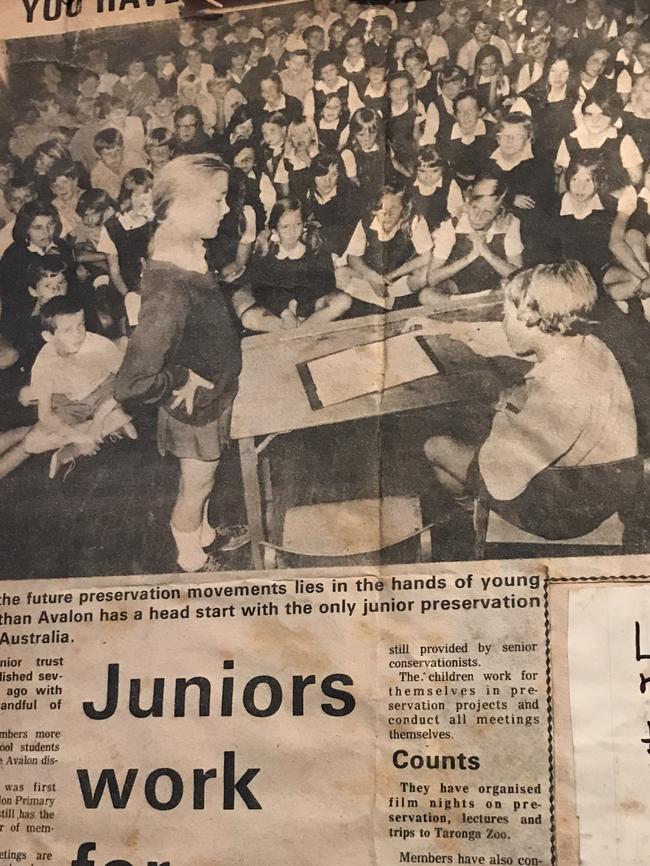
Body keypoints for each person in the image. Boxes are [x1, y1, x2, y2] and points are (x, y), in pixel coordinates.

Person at [418, 261, 638, 539]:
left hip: (565, 512)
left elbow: (500, 476)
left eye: (504, 315)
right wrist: (449, 329)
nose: (502, 323)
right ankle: (474, 505)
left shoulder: (560, 390)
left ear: (531, 318)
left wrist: (507, 407)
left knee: (436, 447)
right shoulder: (583, 341)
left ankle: (471, 516)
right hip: (600, 484)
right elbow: (517, 338)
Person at [115, 154, 247, 573]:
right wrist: (179, 376)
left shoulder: (188, 246)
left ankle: (205, 535)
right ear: (181, 206)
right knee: (196, 484)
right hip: (193, 409)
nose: (226, 209)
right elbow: (131, 383)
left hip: (211, 394)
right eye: (218, 199)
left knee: (203, 477)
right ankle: (189, 557)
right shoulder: (169, 287)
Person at [23, 295, 134, 479]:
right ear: (48, 337)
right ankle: (113, 422)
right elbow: (44, 414)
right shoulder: (43, 363)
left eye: (81, 325)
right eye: (67, 330)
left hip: (106, 392)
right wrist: (80, 438)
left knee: (128, 397)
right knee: (31, 443)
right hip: (74, 404)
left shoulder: (98, 345)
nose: (78, 334)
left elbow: (128, 383)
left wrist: (98, 420)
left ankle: (105, 422)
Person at [241, 196, 351, 331]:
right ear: (275, 230)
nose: (292, 232)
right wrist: (286, 312)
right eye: (285, 227)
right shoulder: (267, 255)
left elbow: (326, 282)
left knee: (343, 300)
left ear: (304, 225)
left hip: (312, 307)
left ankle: (300, 330)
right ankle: (302, 329)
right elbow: (262, 290)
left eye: (298, 224)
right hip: (280, 312)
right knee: (248, 317)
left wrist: (300, 304)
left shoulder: (314, 249)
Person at [421, 176, 523, 301]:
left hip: (494, 294)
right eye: (475, 208)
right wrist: (471, 256)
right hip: (458, 296)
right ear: (468, 203)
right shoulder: (453, 225)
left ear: (499, 213)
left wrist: (486, 253)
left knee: (517, 290)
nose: (478, 217)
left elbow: (519, 277)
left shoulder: (509, 224)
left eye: (487, 212)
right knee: (426, 295)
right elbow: (432, 278)